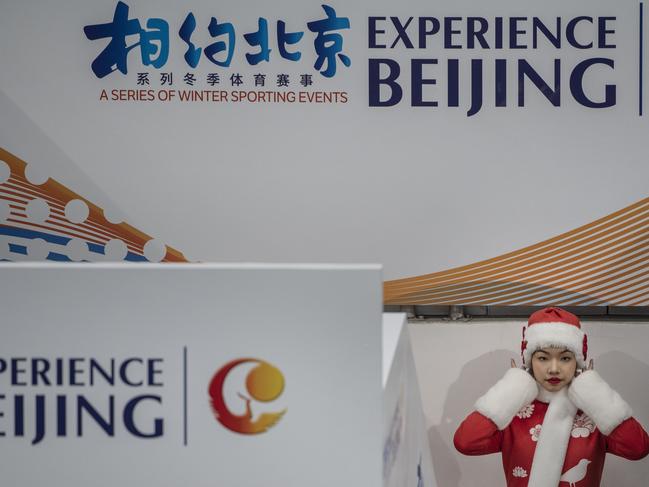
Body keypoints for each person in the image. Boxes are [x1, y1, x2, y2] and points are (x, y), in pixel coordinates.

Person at [454, 307, 649, 486]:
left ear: (578, 361)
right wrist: (510, 390)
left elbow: (638, 448)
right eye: (543, 358)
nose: (554, 369)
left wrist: (598, 396)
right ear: (530, 360)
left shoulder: (594, 413)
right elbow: (465, 442)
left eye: (565, 358)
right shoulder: (514, 411)